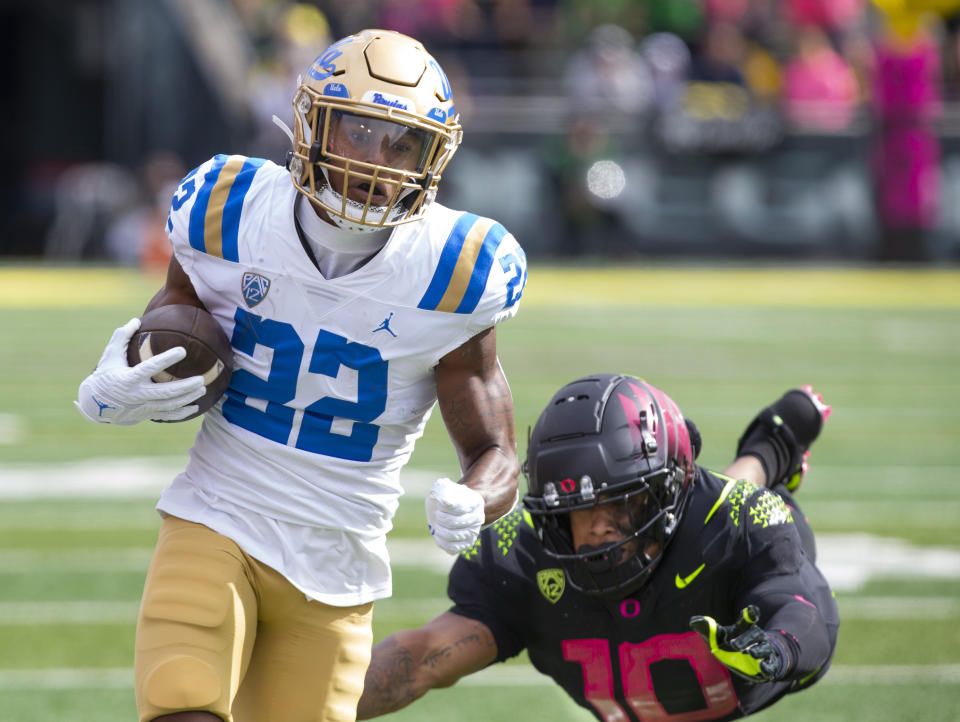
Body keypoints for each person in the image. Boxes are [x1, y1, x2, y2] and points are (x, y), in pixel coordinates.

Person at [74, 28, 527, 722]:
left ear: (434, 155)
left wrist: (478, 495)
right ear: (313, 122)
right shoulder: (230, 208)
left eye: (401, 142)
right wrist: (130, 367)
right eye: (358, 130)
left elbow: (495, 449)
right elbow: (178, 312)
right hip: (217, 513)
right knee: (181, 706)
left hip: (340, 559)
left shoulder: (455, 268)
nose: (379, 160)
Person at [357, 375, 839, 721]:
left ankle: (772, 446)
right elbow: (423, 658)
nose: (598, 530)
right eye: (574, 509)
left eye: (621, 504)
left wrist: (776, 647)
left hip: (743, 684)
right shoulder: (525, 551)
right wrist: (312, 702)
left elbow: (799, 607)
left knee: (738, 491)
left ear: (665, 492)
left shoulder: (738, 520)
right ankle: (775, 442)